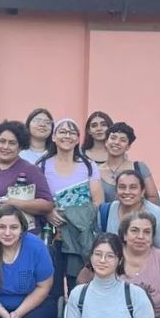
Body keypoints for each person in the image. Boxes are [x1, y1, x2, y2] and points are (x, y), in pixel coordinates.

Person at [37, 118, 102, 299]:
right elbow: (35, 198)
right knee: (51, 285)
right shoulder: (41, 165)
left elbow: (97, 202)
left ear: (78, 138)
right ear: (54, 137)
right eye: (62, 132)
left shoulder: (89, 166)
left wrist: (72, 216)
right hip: (50, 234)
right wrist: (48, 212)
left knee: (78, 286)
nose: (67, 136)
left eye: (72, 132)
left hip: (79, 236)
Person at [104, 169, 160, 288]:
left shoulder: (157, 215)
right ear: (116, 191)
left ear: (142, 191)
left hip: (155, 280)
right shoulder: (108, 210)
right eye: (122, 187)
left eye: (133, 187)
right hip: (122, 278)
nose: (127, 192)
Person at [0, 120, 54, 230]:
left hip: (20, 237)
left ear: (20, 146)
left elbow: (47, 204)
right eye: (2, 141)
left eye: (12, 143)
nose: (6, 147)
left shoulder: (32, 170)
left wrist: (15, 203)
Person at [98, 122, 160, 205]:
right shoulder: (96, 171)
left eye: (123, 140)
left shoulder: (139, 168)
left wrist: (138, 214)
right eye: (113, 138)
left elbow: (153, 198)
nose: (116, 142)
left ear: (128, 146)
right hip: (106, 217)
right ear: (106, 142)